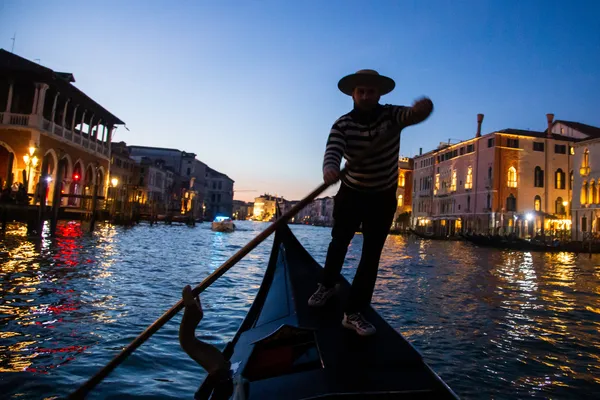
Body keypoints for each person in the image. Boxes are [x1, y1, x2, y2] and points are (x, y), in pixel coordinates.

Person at [308, 69, 434, 336]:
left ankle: (353, 313)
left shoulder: (392, 116)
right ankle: (326, 285)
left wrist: (424, 108)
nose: (365, 95)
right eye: (361, 91)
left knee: (371, 255)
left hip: (382, 196)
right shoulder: (342, 124)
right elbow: (333, 151)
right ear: (353, 94)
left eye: (370, 91)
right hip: (352, 192)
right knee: (339, 241)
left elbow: (414, 115)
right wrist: (330, 170)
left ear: (379, 94)